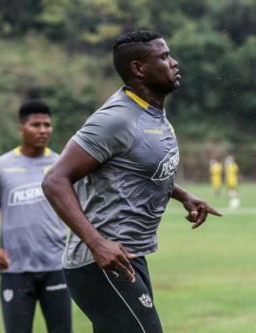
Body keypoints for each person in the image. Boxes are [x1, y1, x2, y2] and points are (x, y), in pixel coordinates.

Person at [42, 30, 222, 333]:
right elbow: (55, 181)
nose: (174, 63)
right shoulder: (116, 118)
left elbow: (134, 169)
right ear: (139, 68)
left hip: (128, 256)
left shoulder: (153, 113)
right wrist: (97, 244)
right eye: (164, 57)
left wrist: (181, 195)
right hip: (99, 262)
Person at [0, 101, 72, 333]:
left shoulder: (62, 165)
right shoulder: (0, 167)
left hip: (56, 266)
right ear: (21, 127)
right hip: (14, 269)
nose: (43, 130)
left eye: (47, 125)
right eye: (36, 125)